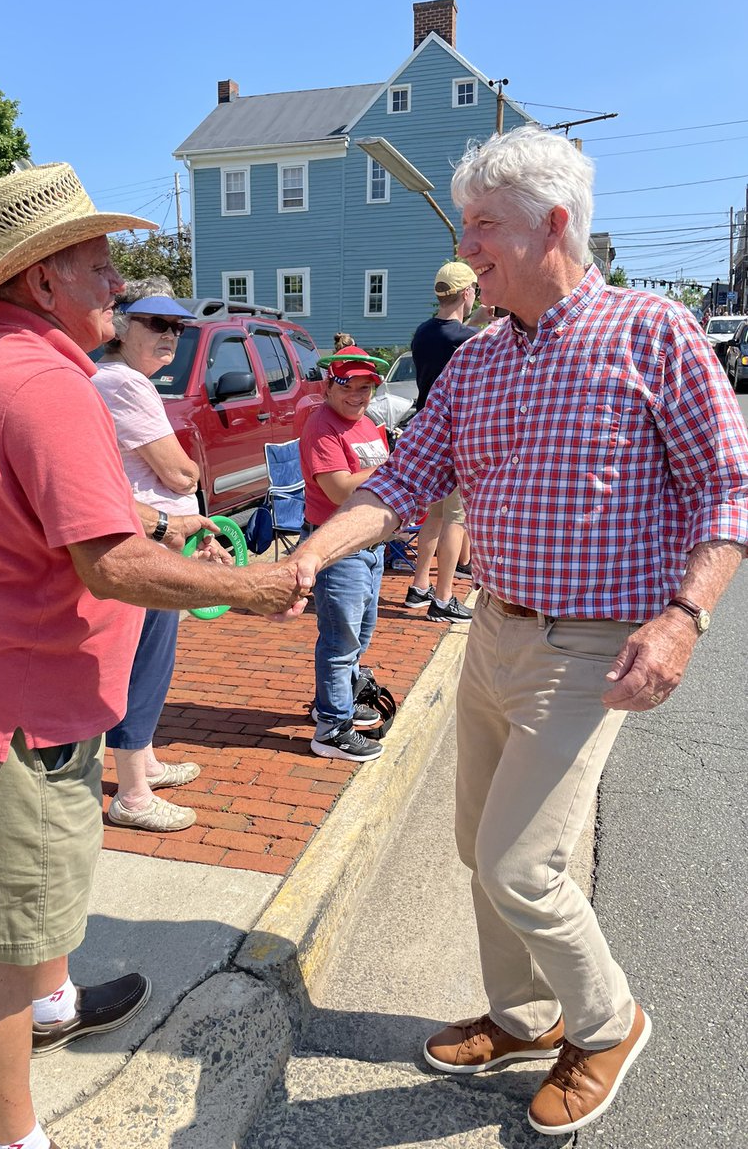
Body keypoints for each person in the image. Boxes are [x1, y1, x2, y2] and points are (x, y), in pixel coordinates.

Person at [291, 126, 748, 1136]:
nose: (469, 249)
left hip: (594, 646)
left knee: (520, 864)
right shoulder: (481, 360)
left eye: (483, 228)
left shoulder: (653, 330)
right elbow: (404, 483)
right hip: (493, 633)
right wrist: (311, 556)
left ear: (552, 225)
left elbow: (729, 488)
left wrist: (684, 618)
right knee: (474, 844)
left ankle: (607, 1021)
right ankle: (524, 1013)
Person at [0, 162, 307, 1149]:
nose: (116, 282)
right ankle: (14, 1138)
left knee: (27, 902)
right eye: (97, 263)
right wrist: (247, 588)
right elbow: (110, 566)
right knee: (9, 936)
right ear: (41, 279)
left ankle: (55, 1006)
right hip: (16, 710)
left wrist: (170, 541)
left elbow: (71, 528)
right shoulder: (44, 382)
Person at [93, 278, 207, 833]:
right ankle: (133, 794)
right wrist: (187, 478)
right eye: (156, 324)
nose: (171, 336)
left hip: (157, 539)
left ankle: (146, 764)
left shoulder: (127, 379)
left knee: (152, 658)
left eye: (177, 326)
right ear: (122, 324)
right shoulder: (123, 383)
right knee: (144, 662)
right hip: (148, 543)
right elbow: (180, 471)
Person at [299, 346, 390, 763]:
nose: (359, 394)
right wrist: (392, 465)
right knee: (340, 641)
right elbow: (338, 490)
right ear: (329, 385)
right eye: (349, 385)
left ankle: (332, 703)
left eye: (366, 386)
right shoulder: (322, 426)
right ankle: (332, 730)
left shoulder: (367, 422)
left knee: (359, 637)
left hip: (370, 546)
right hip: (339, 548)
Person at [404, 261, 481, 624]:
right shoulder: (466, 339)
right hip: (456, 433)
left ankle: (419, 587)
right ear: (467, 292)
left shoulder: (423, 333)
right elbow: (473, 342)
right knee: (456, 517)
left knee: (434, 514)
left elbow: (453, 335)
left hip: (427, 428)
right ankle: (444, 596)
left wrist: (476, 319)